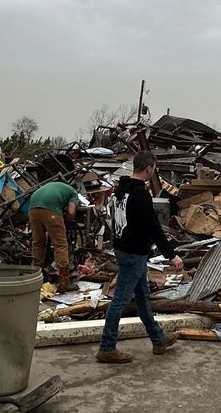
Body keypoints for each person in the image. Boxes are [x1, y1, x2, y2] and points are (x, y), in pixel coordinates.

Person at [96, 150, 183, 364]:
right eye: (154, 169)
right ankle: (107, 347)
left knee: (143, 297)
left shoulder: (119, 191)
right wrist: (171, 255)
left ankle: (158, 339)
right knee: (119, 301)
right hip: (134, 253)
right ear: (149, 169)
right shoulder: (140, 194)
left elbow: (115, 222)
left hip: (124, 250)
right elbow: (153, 227)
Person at [28, 181, 82, 292]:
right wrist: (66, 223)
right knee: (60, 245)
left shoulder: (55, 186)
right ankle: (64, 282)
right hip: (50, 210)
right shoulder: (73, 193)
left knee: (38, 242)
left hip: (33, 208)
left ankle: (36, 276)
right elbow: (71, 212)